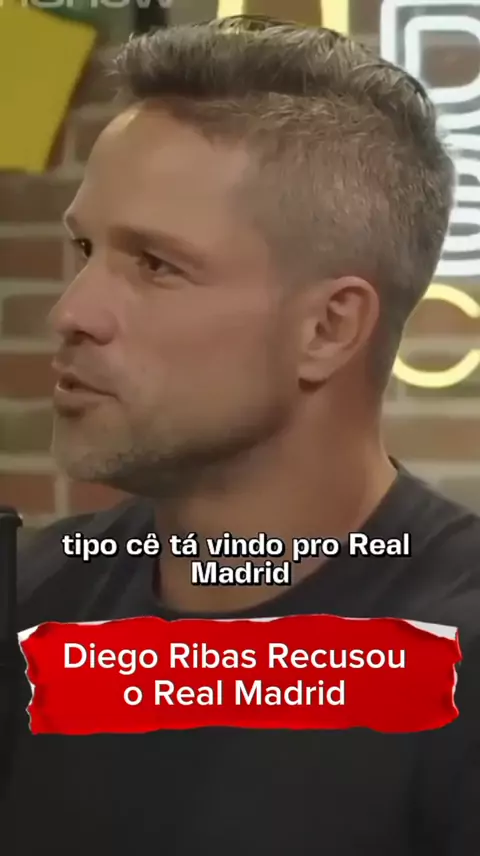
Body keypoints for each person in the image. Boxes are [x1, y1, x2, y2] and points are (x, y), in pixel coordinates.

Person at [2, 15, 479, 855]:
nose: (72, 312)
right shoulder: (33, 604)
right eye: (84, 248)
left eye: (156, 265)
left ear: (328, 329)